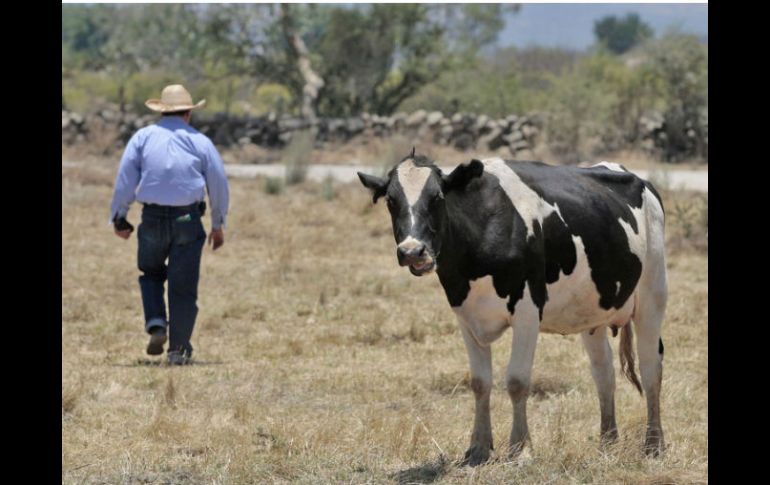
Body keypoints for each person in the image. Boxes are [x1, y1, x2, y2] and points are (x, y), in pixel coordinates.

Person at [109, 84, 230, 365]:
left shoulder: (143, 138)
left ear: (162, 111)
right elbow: (219, 184)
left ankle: (155, 323)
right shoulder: (200, 142)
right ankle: (178, 350)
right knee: (183, 286)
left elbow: (125, 179)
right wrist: (218, 224)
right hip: (188, 219)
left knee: (150, 273)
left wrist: (119, 216)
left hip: (151, 218)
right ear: (189, 113)